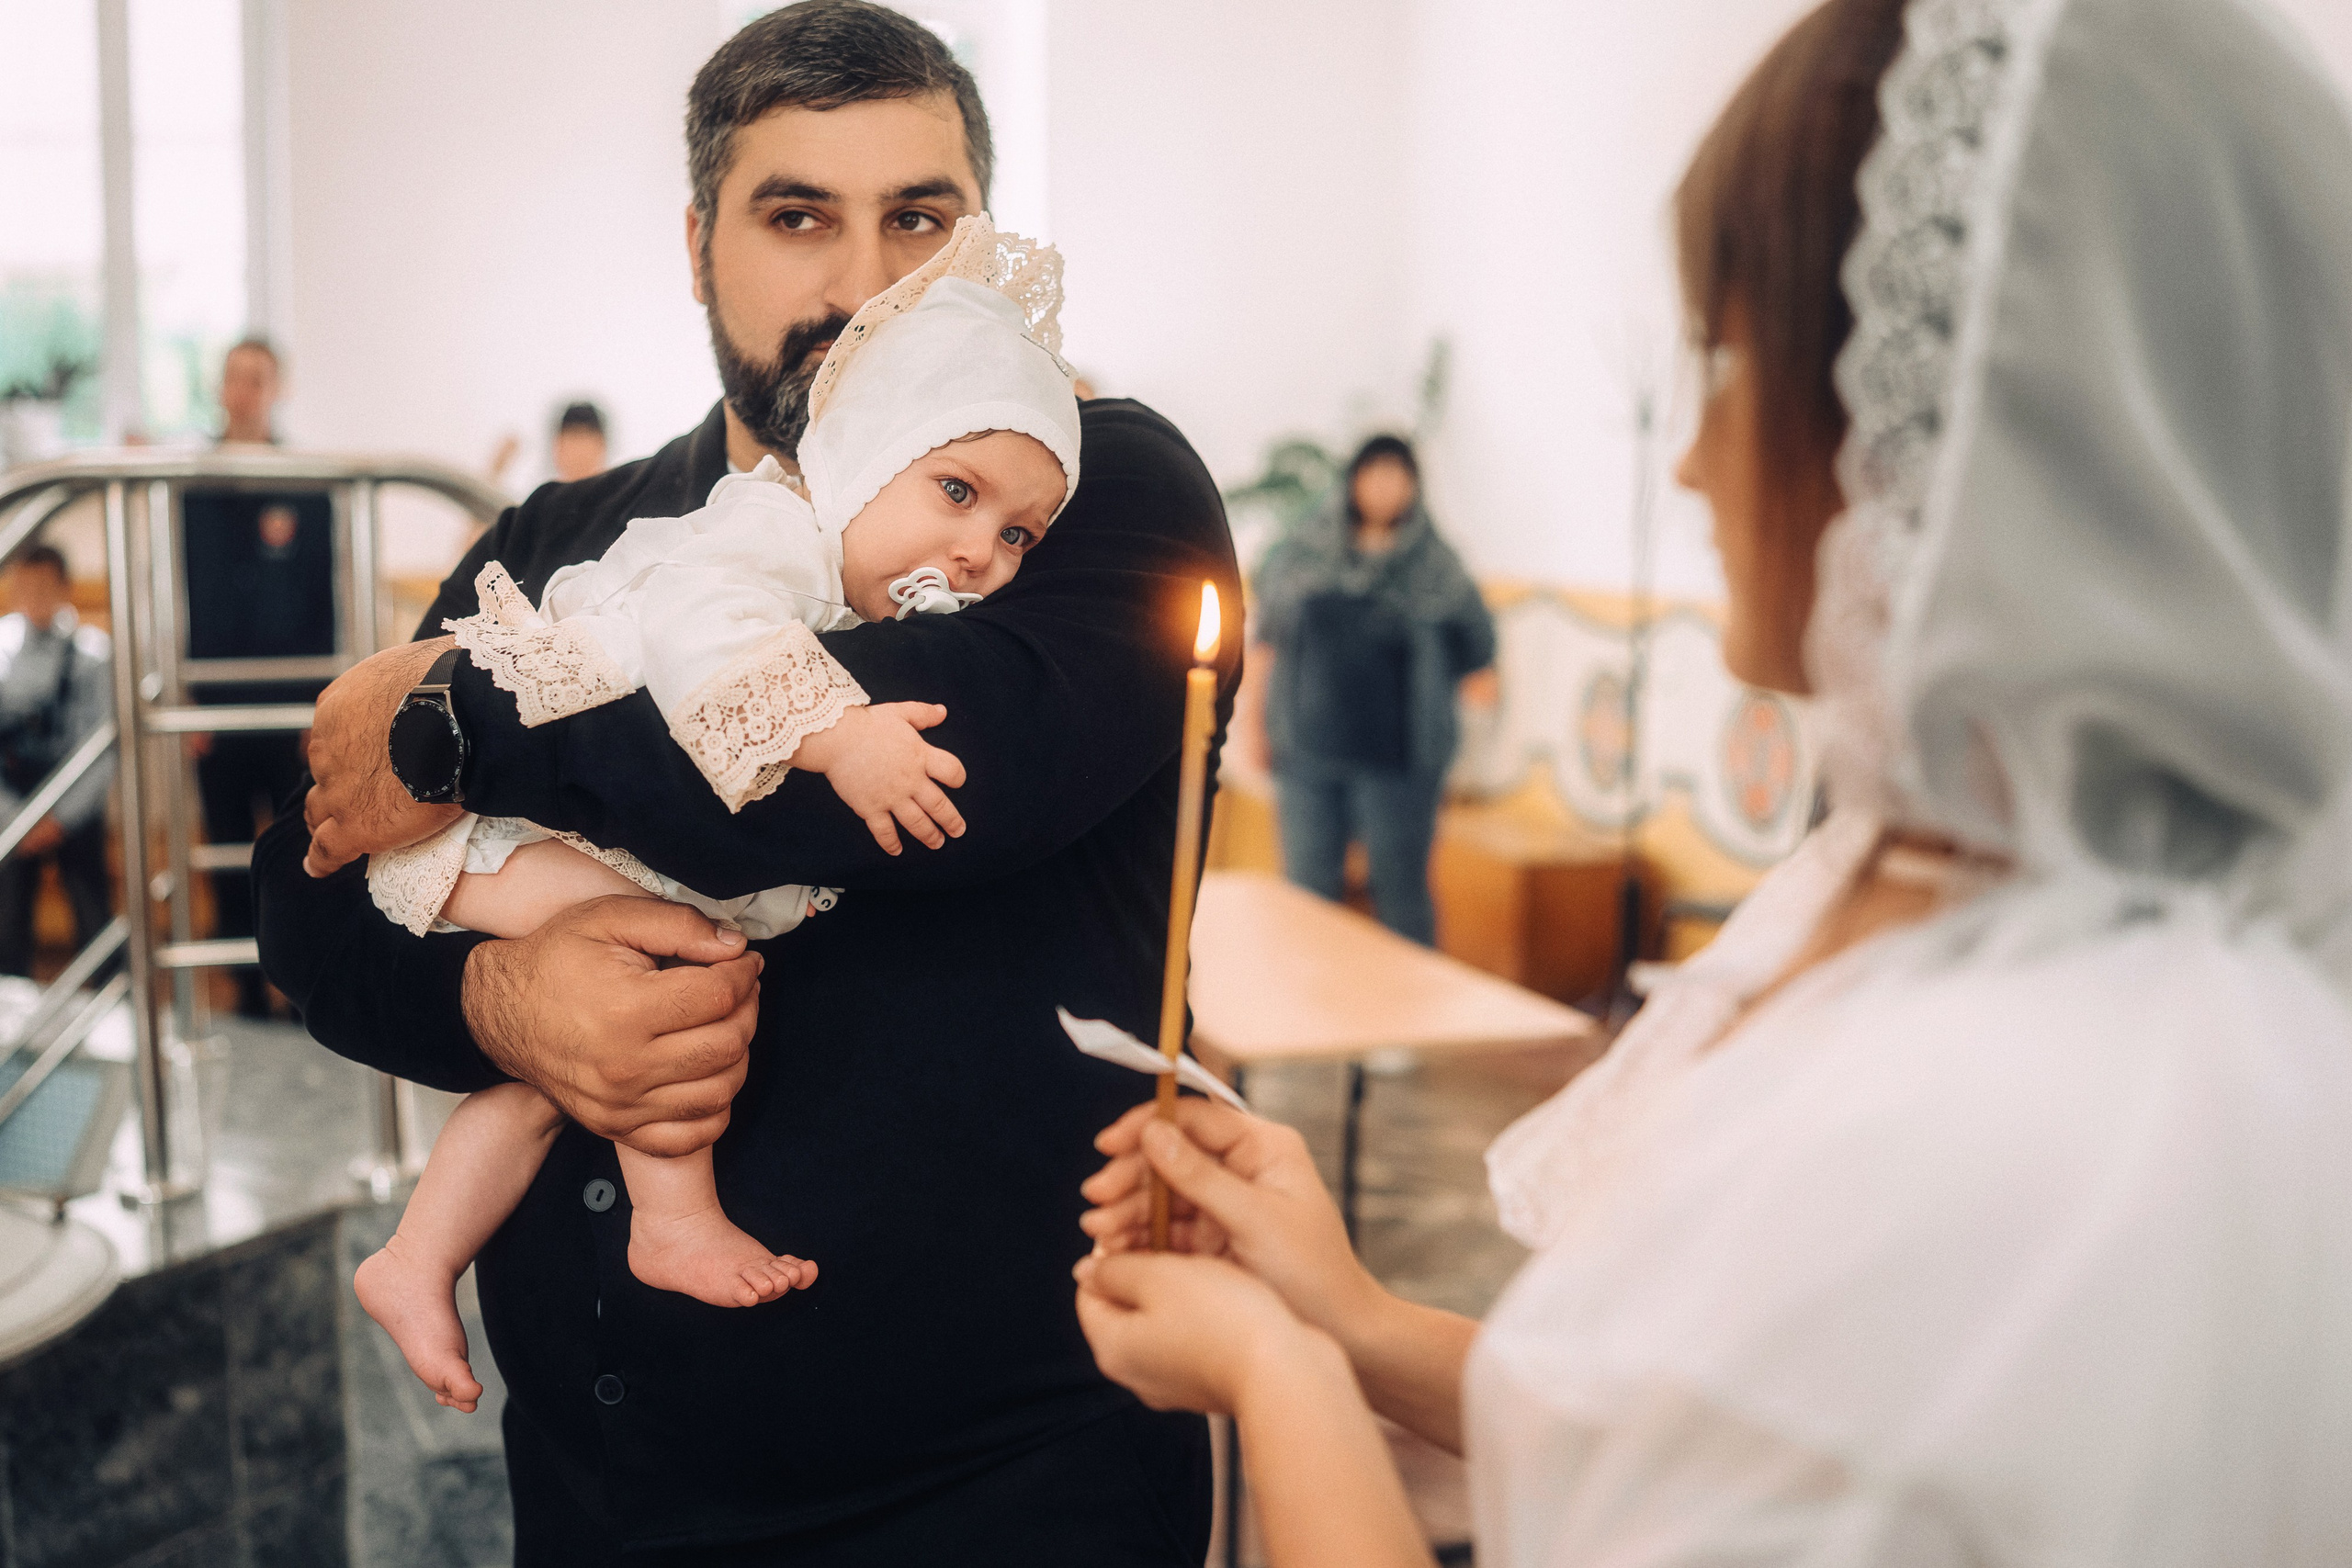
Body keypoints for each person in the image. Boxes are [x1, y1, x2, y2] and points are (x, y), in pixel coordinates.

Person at [1069, 0, 2352, 1562]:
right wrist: (1344, 1311)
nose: (1688, 459)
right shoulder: (1900, 887)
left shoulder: (2003, 1105)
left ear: (1932, 422)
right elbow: (1686, 1430)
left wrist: (1276, 1382)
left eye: (1725, 361)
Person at [254, 4, 1238, 1562]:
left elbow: (879, 773)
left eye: (919, 217)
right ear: (701, 242)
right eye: (797, 217)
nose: (860, 283)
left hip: (1007, 1480)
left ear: (979, 242)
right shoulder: (557, 543)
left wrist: (457, 724)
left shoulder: (1081, 494)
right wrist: (506, 1005)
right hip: (610, 1483)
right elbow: (314, 909)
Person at [354, 216, 1080, 1412]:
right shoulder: (771, 530)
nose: (980, 552)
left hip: (529, 839)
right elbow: (704, 635)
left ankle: (416, 1254)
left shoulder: (854, 582)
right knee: (666, 982)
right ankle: (673, 1217)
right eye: (955, 489)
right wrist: (839, 733)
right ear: (860, 458)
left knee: (549, 1078)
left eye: (1016, 533)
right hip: (498, 834)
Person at [1248, 434, 1495, 943]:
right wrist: (1255, 725)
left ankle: (1411, 1014)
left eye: (1396, 475)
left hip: (1401, 764)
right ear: (1352, 482)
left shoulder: (1438, 567)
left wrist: (1471, 753)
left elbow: (1479, 654)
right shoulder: (1303, 556)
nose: (1383, 487)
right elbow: (1267, 643)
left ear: (1414, 487)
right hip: (1308, 756)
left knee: (1401, 895)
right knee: (1307, 896)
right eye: (1372, 474)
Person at [184, 335, 334, 1018]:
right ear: (220, 388)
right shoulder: (188, 484)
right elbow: (174, 594)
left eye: (258, 379)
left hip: (288, 707)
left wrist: (322, 706)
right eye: (234, 377)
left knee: (301, 852)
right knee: (223, 851)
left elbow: (323, 600)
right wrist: (185, 695)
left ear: (278, 389)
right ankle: (242, 997)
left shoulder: (306, 484)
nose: (244, 391)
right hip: (212, 705)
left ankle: (305, 995)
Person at [0, 545, 114, 976]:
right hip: (13, 808)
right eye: (25, 585)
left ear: (65, 588)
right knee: (7, 926)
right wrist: (14, 818)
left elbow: (105, 746)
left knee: (93, 918)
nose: (35, 595)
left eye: (45, 586)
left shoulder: (92, 653)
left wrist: (61, 818)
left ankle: (112, 1017)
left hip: (73, 807)